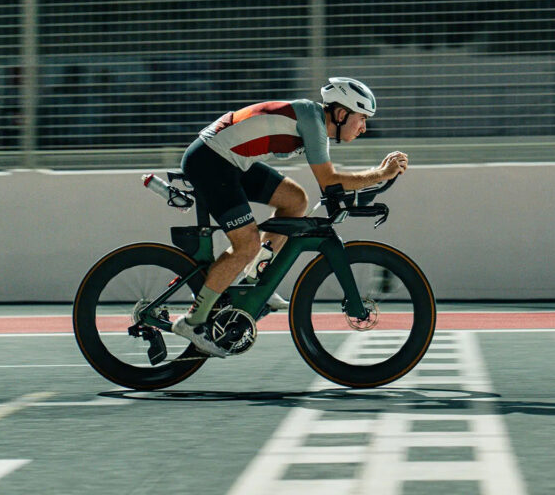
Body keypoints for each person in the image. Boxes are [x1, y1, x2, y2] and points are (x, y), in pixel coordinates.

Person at [172, 77, 408, 357]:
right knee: (245, 245)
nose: (364, 128)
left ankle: (252, 283)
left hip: (230, 160)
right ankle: (192, 321)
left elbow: (331, 185)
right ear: (342, 114)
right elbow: (329, 180)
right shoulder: (313, 122)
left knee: (295, 201)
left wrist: (372, 180)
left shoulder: (314, 120)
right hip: (210, 162)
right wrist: (380, 174)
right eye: (362, 119)